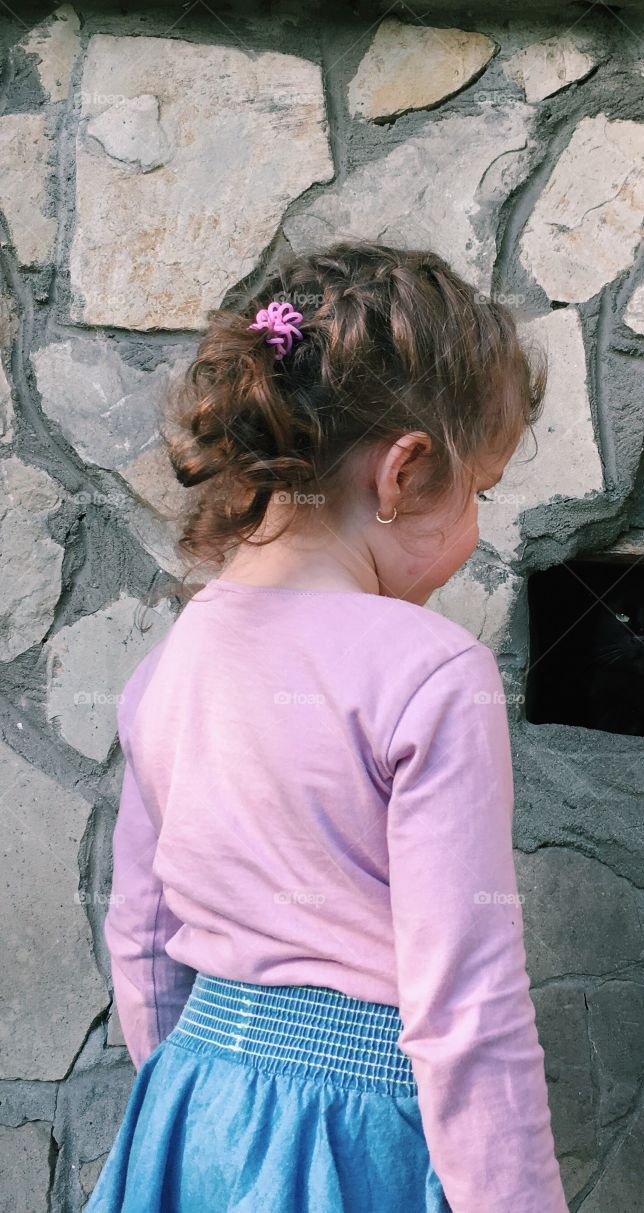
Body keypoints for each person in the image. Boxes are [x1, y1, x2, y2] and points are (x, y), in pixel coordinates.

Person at [86, 241, 568, 1212]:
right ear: (403, 472)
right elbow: (466, 1013)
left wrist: (200, 1095)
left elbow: (140, 944)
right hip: (359, 1144)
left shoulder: (167, 669)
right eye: (483, 491)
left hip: (193, 1111)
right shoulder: (432, 678)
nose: (478, 528)